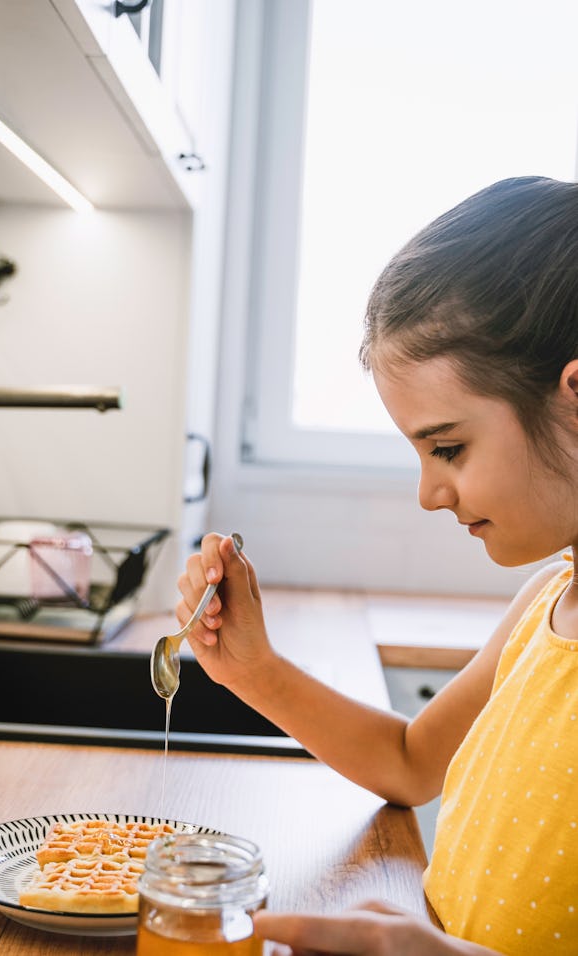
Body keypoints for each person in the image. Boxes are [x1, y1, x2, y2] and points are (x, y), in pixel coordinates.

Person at [177, 177, 578, 955]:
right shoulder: (546, 604)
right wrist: (252, 670)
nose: (430, 493)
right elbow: (408, 763)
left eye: (448, 448)